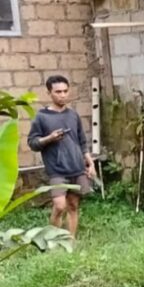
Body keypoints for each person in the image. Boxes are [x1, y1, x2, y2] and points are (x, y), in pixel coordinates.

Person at [26, 75, 95, 238]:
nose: (62, 95)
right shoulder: (42, 117)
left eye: (65, 91)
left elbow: (82, 142)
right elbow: (32, 143)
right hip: (57, 170)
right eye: (58, 92)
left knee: (73, 205)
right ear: (49, 93)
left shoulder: (73, 115)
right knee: (59, 206)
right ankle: (54, 239)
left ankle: (70, 241)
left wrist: (90, 163)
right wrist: (49, 138)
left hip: (76, 168)